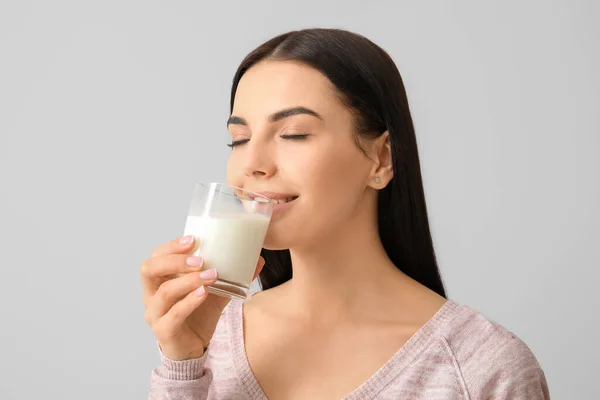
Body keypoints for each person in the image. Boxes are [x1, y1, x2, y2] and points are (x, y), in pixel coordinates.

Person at [142, 28, 550, 399]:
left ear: (380, 159)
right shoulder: (211, 338)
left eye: (293, 134)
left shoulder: (485, 370)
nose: (254, 164)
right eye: (240, 139)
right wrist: (182, 367)